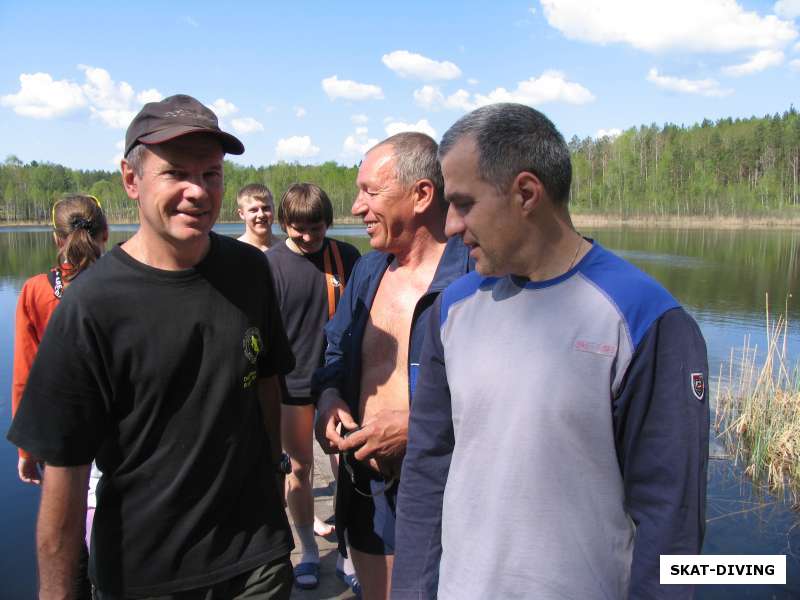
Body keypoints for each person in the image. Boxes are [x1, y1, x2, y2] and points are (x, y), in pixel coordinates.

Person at [391, 103, 710, 600]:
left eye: (464, 203)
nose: (450, 225)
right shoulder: (449, 309)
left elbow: (671, 520)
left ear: (525, 193)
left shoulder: (647, 319)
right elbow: (427, 470)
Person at [7, 94, 296, 600]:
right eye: (176, 173)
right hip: (146, 573)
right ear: (130, 179)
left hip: (257, 562)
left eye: (211, 174)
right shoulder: (90, 308)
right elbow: (65, 487)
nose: (197, 192)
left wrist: (274, 480)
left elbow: (266, 382)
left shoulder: (250, 272)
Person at [312, 132, 471, 600]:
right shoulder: (368, 270)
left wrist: (418, 429)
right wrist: (328, 398)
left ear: (422, 195)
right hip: (366, 483)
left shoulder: (477, 276)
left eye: (371, 192)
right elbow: (335, 352)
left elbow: (506, 401)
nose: (357, 207)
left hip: (444, 489)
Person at [11, 193, 109, 600]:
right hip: (120, 434)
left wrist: (26, 448)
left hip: (61, 436)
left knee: (64, 544)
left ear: (56, 238)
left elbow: (25, 376)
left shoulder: (36, 291)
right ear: (105, 233)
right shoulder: (123, 282)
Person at [264, 183, 360, 591]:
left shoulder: (347, 258)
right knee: (298, 469)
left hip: (338, 384)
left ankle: (351, 552)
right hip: (290, 387)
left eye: (316, 228)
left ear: (328, 223)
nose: (307, 237)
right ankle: (306, 549)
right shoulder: (270, 265)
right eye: (298, 229)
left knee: (350, 468)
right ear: (285, 223)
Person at [237, 183, 275, 251]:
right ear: (241, 214)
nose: (261, 214)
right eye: (253, 210)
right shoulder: (234, 251)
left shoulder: (286, 250)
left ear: (273, 210)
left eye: (265, 208)